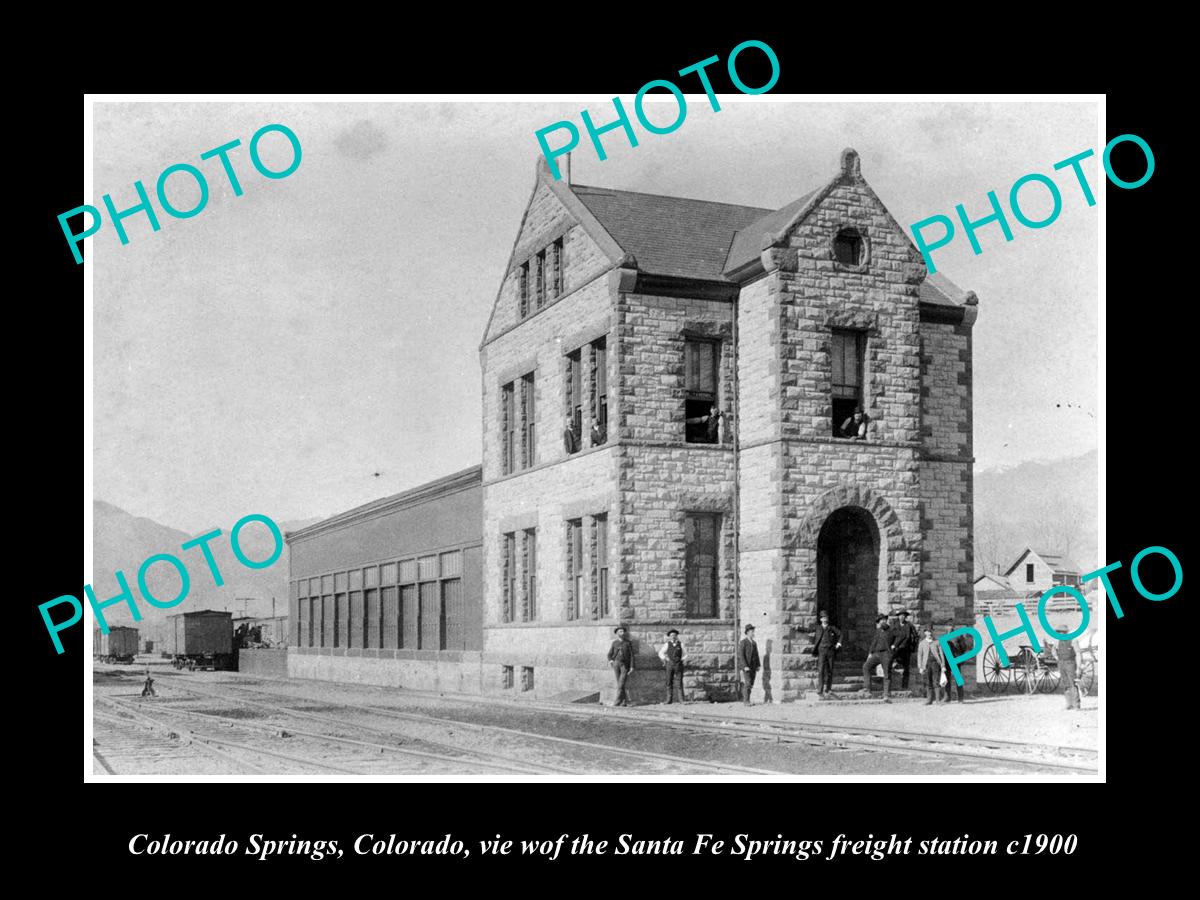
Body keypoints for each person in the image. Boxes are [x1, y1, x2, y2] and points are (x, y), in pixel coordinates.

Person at [862, 614, 895, 702]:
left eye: (884, 620)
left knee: (887, 673)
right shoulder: (878, 631)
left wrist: (894, 647)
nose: (882, 621)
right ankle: (867, 688)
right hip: (876, 654)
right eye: (880, 620)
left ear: (886, 620)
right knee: (866, 666)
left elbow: (899, 639)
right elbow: (874, 642)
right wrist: (870, 653)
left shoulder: (891, 630)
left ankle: (886, 695)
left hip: (886, 654)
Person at [812, 610, 842, 698]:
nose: (825, 619)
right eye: (823, 618)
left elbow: (840, 634)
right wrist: (798, 628)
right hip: (821, 651)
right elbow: (808, 630)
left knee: (830, 670)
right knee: (821, 670)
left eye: (826, 617)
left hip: (830, 651)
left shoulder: (831, 628)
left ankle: (828, 689)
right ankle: (820, 690)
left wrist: (838, 643)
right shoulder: (818, 628)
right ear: (821, 619)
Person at [607, 626, 635, 707]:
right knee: (619, 682)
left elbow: (632, 656)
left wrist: (632, 666)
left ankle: (617, 701)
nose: (622, 633)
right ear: (617, 633)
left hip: (624, 665)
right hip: (616, 664)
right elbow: (609, 654)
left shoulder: (628, 643)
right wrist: (611, 660)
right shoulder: (614, 643)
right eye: (620, 631)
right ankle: (624, 702)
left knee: (621, 683)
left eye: (623, 631)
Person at [658, 628, 688, 704]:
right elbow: (660, 653)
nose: (673, 637)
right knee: (669, 682)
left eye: (674, 635)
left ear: (677, 636)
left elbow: (686, 654)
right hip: (669, 665)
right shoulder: (667, 644)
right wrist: (665, 659)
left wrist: (682, 659)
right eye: (671, 635)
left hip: (678, 665)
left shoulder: (681, 644)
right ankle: (669, 700)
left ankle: (681, 700)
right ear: (669, 637)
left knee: (679, 682)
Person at [891, 609, 918, 690]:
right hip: (895, 649)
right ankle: (892, 685)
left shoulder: (909, 626)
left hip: (905, 649)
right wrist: (893, 645)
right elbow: (892, 636)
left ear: (905, 617)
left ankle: (904, 685)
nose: (901, 617)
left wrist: (912, 647)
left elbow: (911, 637)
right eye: (900, 615)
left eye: (903, 616)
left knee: (906, 667)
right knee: (890, 663)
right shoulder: (895, 625)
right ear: (898, 617)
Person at [916, 627, 945, 704]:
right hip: (926, 664)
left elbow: (941, 654)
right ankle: (929, 700)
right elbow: (919, 655)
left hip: (935, 663)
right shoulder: (922, 643)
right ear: (925, 633)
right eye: (928, 631)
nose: (930, 633)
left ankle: (938, 700)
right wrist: (920, 667)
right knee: (928, 682)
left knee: (936, 681)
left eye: (931, 631)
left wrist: (943, 665)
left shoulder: (937, 642)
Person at [943, 627, 968, 703]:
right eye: (947, 626)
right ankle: (947, 697)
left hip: (955, 661)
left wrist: (960, 656)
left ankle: (960, 698)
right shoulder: (944, 637)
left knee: (958, 679)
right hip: (946, 661)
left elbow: (964, 647)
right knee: (946, 679)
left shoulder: (958, 636)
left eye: (950, 626)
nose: (949, 628)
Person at [739, 625, 761, 705]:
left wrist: (758, 665)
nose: (753, 633)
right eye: (752, 632)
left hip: (753, 666)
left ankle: (748, 699)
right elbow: (741, 655)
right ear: (747, 632)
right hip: (746, 667)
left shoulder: (754, 643)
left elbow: (756, 654)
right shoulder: (743, 642)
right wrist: (745, 666)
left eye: (753, 631)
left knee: (751, 683)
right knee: (747, 683)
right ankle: (746, 701)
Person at [1058, 636, 1081, 710]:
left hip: (1070, 663)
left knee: (1072, 683)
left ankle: (1076, 705)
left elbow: (1078, 654)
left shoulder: (1073, 641)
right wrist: (1057, 658)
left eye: (1063, 632)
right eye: (1060, 632)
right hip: (1061, 664)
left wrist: (1078, 667)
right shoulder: (1058, 641)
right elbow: (1053, 650)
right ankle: (1069, 704)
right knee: (1065, 683)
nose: (1061, 634)